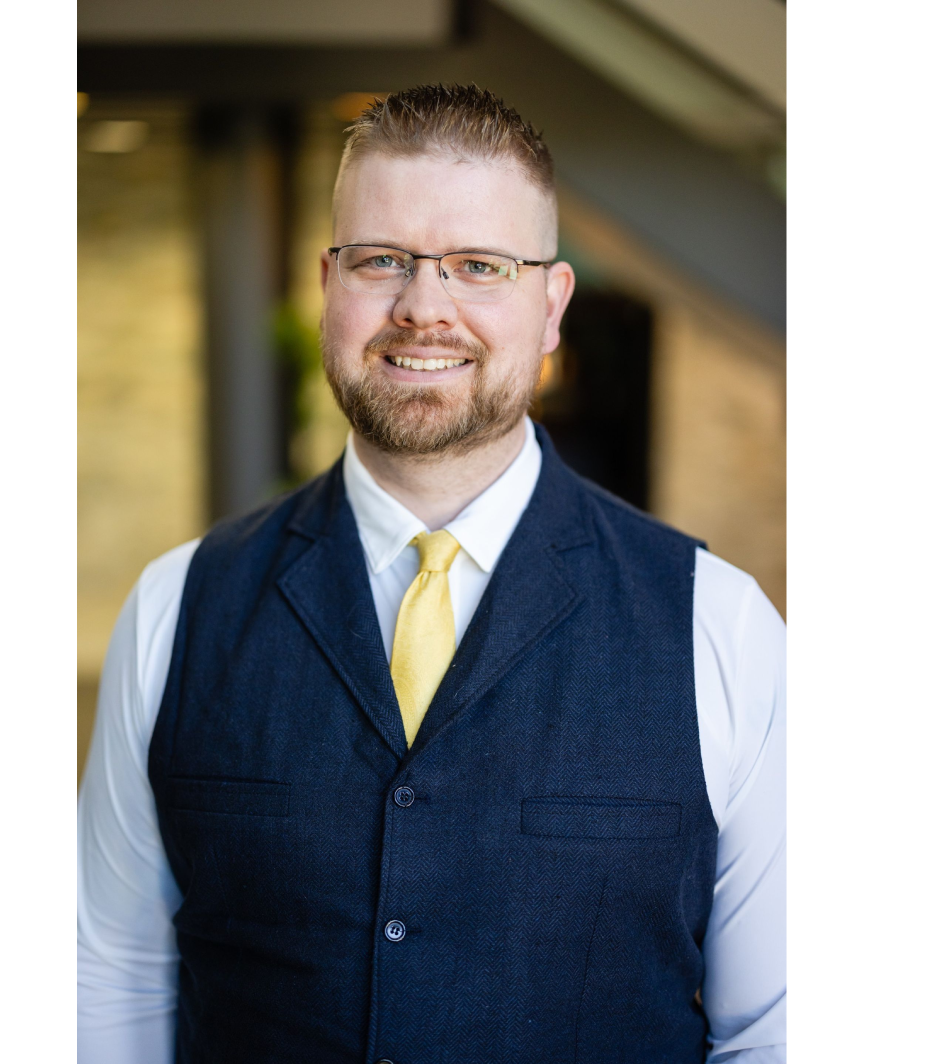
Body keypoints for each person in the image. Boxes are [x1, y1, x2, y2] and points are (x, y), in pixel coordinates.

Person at [78, 84, 786, 1063]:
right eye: (381, 260)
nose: (422, 307)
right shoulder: (176, 607)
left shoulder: (721, 626)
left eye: (477, 266)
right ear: (327, 283)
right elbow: (113, 977)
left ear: (550, 306)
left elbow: (769, 1030)